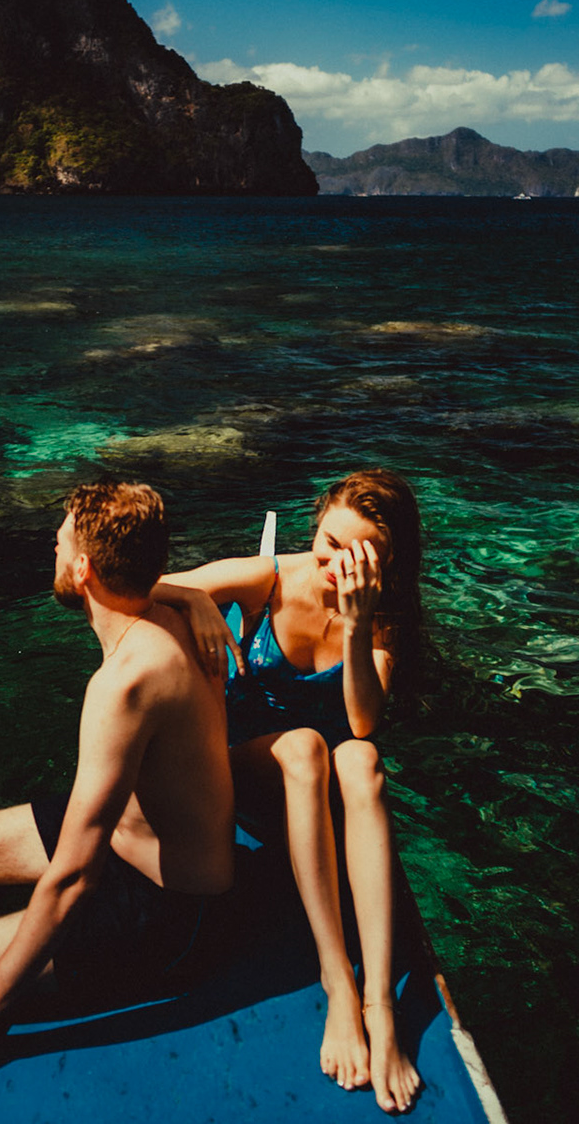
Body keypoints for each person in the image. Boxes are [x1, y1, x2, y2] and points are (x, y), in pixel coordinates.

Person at [0, 481, 235, 1062]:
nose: (50, 553)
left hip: (176, 911)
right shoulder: (169, 613)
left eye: (58, 545)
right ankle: (22, 974)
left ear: (82, 570)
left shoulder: (124, 684)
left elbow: (75, 875)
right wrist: (194, 595)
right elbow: (165, 586)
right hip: (130, 848)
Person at [154, 468, 426, 1114]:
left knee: (360, 759)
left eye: (357, 555)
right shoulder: (270, 577)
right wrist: (196, 601)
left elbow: (362, 722)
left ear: (385, 562)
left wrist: (357, 626)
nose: (335, 564)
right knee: (305, 746)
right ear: (315, 529)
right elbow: (146, 588)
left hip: (327, 786)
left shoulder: (383, 614)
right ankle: (337, 980)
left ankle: (380, 1005)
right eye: (329, 544)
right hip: (250, 769)